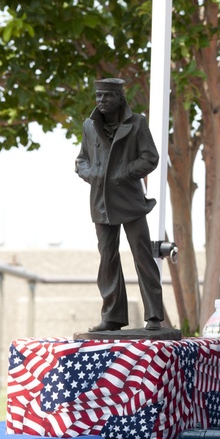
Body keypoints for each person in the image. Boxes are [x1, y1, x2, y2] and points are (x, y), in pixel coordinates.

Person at [75, 77, 164, 332]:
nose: (102, 101)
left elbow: (150, 158)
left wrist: (124, 172)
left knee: (143, 256)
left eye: (107, 96)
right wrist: (92, 174)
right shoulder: (89, 126)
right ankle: (112, 316)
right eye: (99, 96)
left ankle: (154, 315)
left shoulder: (137, 124)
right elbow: (80, 160)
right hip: (101, 203)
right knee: (108, 260)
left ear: (120, 97)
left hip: (130, 201)